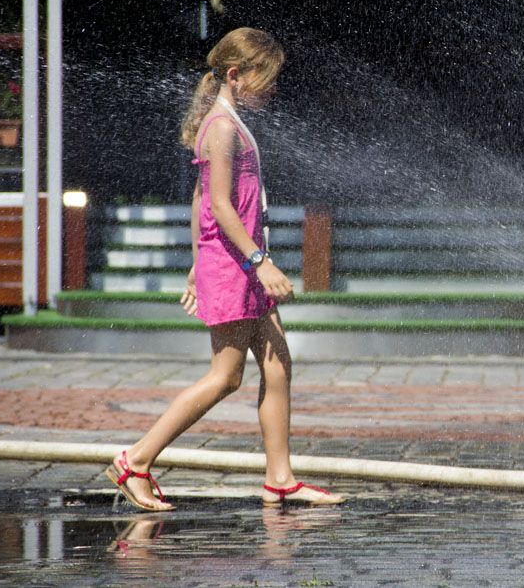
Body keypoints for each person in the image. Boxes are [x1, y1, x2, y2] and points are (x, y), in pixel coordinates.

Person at [106, 27, 345, 510]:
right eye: (266, 78)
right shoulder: (221, 128)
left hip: (230, 261)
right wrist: (260, 263)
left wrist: (197, 264)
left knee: (277, 366)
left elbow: (199, 200)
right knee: (226, 376)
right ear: (236, 75)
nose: (273, 89)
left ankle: (280, 477)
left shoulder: (229, 121)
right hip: (238, 264)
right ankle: (135, 461)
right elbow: (219, 204)